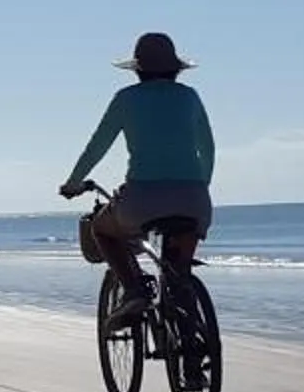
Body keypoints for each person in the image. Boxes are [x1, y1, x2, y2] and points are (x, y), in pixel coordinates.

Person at [59, 31, 214, 329]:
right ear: (176, 69)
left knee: (101, 229)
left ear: (138, 70)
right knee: (178, 274)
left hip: (142, 200)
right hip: (194, 201)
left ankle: (133, 290)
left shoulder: (126, 99)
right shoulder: (190, 97)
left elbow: (98, 145)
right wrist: (198, 187)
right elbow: (207, 148)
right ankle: (193, 351)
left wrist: (73, 182)